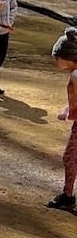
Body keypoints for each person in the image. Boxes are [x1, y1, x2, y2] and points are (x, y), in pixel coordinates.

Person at [46, 26, 77, 210]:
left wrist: (70, 110)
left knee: (69, 157)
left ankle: (67, 196)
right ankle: (67, 195)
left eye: (57, 57)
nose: (56, 61)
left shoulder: (75, 75)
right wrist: (68, 109)